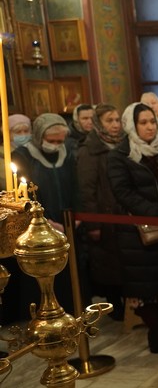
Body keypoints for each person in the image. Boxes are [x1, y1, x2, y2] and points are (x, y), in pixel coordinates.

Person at [107, 102, 158, 356]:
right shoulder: (119, 156)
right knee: (144, 286)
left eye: (152, 121)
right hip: (135, 232)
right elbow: (124, 193)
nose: (150, 127)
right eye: (143, 122)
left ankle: (157, 335)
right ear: (132, 125)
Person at [11, 113, 79, 314]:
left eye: (60, 141)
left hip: (68, 223)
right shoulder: (23, 155)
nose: (56, 145)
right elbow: (25, 194)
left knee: (71, 275)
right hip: (40, 226)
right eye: (51, 140)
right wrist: (45, 221)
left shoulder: (68, 153)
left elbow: (76, 187)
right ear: (40, 136)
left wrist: (76, 217)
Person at [77, 103, 126, 320]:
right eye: (109, 121)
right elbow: (87, 190)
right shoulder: (90, 150)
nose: (115, 125)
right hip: (104, 214)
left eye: (117, 120)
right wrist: (93, 224)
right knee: (108, 262)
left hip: (123, 211)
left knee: (123, 260)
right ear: (98, 124)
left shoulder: (122, 144)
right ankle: (114, 305)